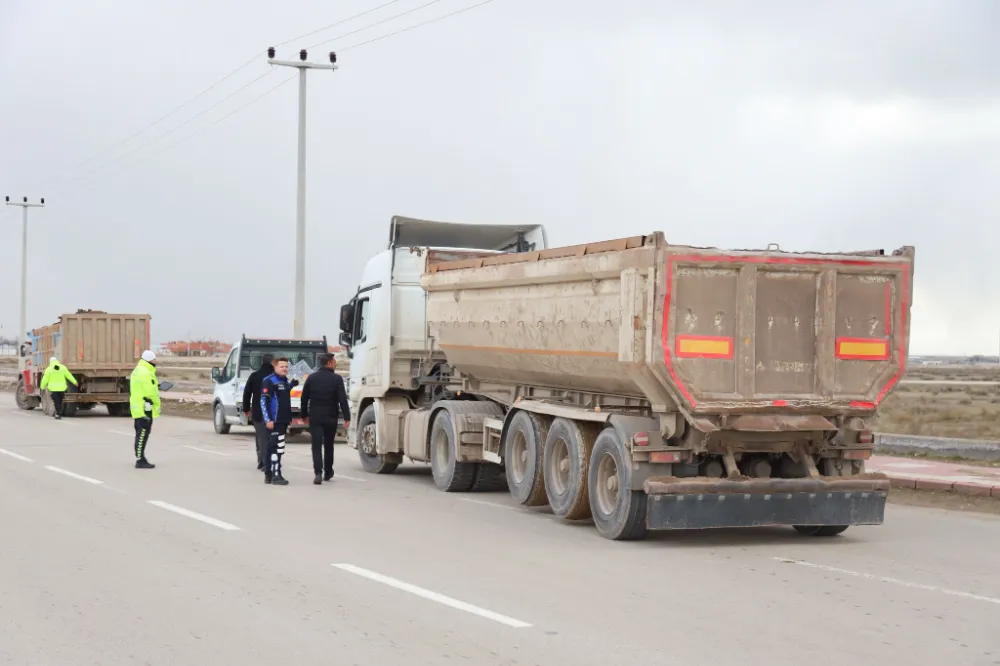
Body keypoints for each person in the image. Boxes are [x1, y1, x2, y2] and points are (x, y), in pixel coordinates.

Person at [300, 353, 351, 484]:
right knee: (329, 445)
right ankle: (328, 472)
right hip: (331, 417)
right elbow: (342, 399)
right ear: (328, 363)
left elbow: (304, 398)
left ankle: (318, 473)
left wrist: (304, 415)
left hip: (315, 417)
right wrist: (347, 417)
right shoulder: (336, 379)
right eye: (334, 362)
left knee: (316, 446)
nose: (335, 364)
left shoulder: (311, 378)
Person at [260, 357, 294, 486]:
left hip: (283, 420)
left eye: (286, 366)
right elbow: (264, 401)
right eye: (282, 366)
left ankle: (269, 473)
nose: (284, 369)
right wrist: (268, 419)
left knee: (275, 447)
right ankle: (276, 475)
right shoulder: (269, 381)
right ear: (275, 367)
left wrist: (291, 385)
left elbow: (282, 396)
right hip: (274, 421)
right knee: (276, 448)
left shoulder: (285, 381)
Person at [242, 354, 274, 471]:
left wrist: (246, 409)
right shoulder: (275, 377)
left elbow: (246, 393)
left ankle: (262, 461)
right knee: (270, 438)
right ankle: (266, 462)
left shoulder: (254, 376)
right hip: (273, 412)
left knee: (261, 437)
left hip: (257, 412)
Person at [130, 350, 161, 469]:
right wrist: (156, 403)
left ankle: (140, 457)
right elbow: (150, 392)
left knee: (139, 433)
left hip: (138, 406)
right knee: (143, 433)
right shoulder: (146, 372)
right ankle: (140, 459)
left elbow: (140, 388)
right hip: (145, 407)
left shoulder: (137, 370)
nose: (155, 361)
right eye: (154, 359)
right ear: (150, 360)